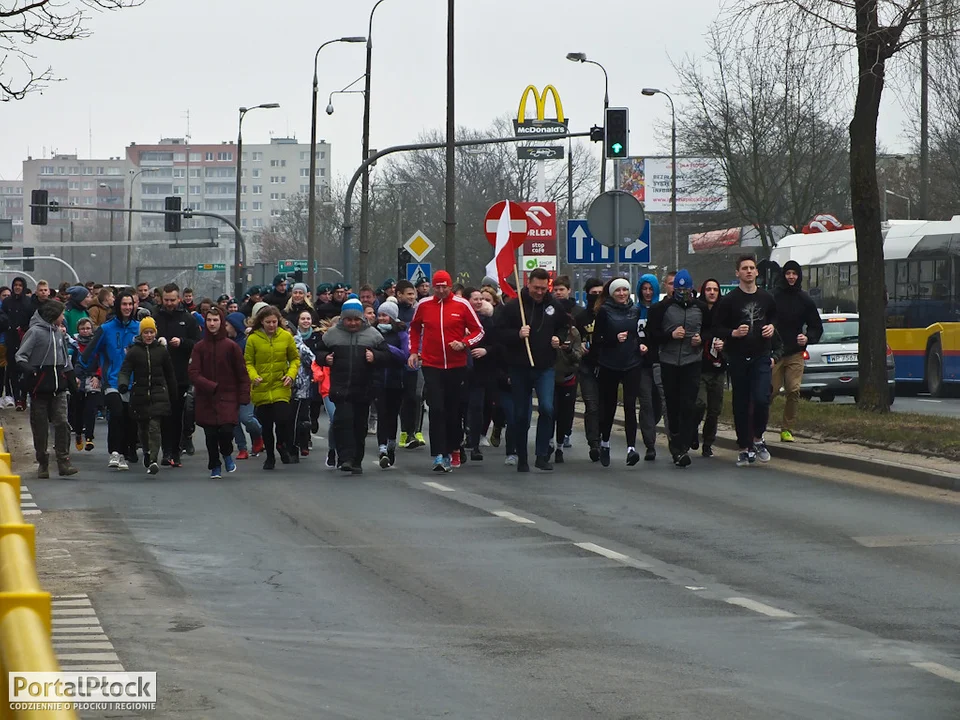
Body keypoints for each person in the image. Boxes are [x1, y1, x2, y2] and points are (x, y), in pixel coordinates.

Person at [408, 270, 484, 473]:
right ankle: (439, 455)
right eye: (437, 286)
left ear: (450, 286)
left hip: (456, 365)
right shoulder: (424, 305)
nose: (441, 290)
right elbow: (414, 328)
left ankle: (454, 447)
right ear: (433, 287)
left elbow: (479, 331)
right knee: (436, 408)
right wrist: (414, 351)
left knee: (453, 410)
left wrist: (464, 343)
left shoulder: (462, 304)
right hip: (431, 364)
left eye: (445, 286)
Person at [496, 267, 568, 472]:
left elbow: (564, 326)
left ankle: (542, 454)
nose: (539, 292)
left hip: (545, 366)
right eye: (536, 287)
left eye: (544, 288)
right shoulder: (513, 307)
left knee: (547, 408)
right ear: (528, 284)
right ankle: (522, 457)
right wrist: (517, 334)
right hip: (519, 367)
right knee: (521, 414)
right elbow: (499, 333)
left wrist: (559, 339)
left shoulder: (553, 305)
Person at [315, 296, 394, 474]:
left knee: (359, 425)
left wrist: (375, 356)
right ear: (343, 319)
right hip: (340, 387)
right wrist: (325, 359)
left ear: (362, 319)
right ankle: (345, 458)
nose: (352, 323)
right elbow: (319, 350)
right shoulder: (332, 334)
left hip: (363, 388)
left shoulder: (373, 335)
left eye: (355, 320)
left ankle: (357, 460)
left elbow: (387, 356)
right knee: (343, 422)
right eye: (348, 320)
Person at [713, 254, 778, 466]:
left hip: (761, 354)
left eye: (752, 268)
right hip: (738, 356)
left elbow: (775, 319)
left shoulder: (766, 298)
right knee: (741, 402)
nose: (749, 271)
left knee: (761, 398)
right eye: (744, 268)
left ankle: (758, 438)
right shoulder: (730, 300)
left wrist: (772, 328)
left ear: (757, 272)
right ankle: (743, 446)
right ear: (737, 273)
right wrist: (733, 333)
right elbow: (717, 328)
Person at [648, 269, 710, 468]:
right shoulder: (661, 308)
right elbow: (652, 335)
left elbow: (710, 329)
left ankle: (684, 442)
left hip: (692, 361)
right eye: (679, 289)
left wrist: (702, 339)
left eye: (686, 289)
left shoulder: (700, 308)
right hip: (668, 361)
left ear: (692, 289)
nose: (682, 292)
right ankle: (677, 448)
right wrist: (670, 335)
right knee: (673, 407)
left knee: (691, 404)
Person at [16, 299, 78, 478]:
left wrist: (72, 379)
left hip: (58, 387)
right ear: (53, 315)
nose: (63, 317)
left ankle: (63, 461)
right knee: (40, 427)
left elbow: (65, 358)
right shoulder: (34, 332)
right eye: (61, 314)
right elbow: (20, 356)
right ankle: (43, 462)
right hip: (39, 388)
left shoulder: (59, 333)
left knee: (62, 423)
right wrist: (30, 370)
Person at [80, 290, 140, 470]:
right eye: (124, 304)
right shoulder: (106, 329)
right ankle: (114, 452)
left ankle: (126, 451)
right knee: (117, 413)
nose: (128, 307)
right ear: (118, 306)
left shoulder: (138, 328)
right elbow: (91, 352)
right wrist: (80, 370)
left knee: (131, 419)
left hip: (134, 381)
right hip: (112, 380)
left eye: (130, 304)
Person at [189, 307, 251, 478]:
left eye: (215, 320)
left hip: (228, 396)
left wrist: (244, 394)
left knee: (226, 431)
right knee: (210, 434)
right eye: (209, 320)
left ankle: (226, 453)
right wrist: (209, 385)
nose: (212, 323)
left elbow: (242, 372)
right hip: (206, 397)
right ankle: (214, 465)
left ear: (221, 322)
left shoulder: (231, 347)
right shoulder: (199, 347)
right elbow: (194, 372)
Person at [593, 278, 645, 467]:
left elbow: (637, 334)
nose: (622, 294)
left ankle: (631, 448)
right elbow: (597, 339)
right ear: (612, 294)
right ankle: (605, 443)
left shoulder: (635, 310)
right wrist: (613, 338)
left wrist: (641, 345)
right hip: (610, 363)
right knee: (609, 406)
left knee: (630, 405)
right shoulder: (604, 311)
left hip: (631, 362)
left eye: (625, 290)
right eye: (618, 291)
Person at [117, 316, 177, 475]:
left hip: (158, 394)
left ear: (155, 333)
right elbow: (125, 370)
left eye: (151, 332)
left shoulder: (161, 351)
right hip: (140, 395)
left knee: (154, 427)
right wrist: (123, 384)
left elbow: (169, 373)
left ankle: (153, 460)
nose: (149, 335)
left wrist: (173, 391)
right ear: (141, 334)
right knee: (142, 428)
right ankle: (146, 451)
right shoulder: (134, 351)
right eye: (146, 332)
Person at [772, 260, 823, 442]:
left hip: (795, 352)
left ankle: (787, 429)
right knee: (771, 390)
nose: (791, 277)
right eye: (788, 274)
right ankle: (758, 425)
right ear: (783, 275)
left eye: (794, 274)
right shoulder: (773, 297)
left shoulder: (804, 299)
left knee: (794, 390)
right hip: (775, 353)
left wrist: (807, 337)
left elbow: (816, 326)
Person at [244, 304, 299, 469]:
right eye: (268, 322)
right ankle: (269, 456)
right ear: (261, 322)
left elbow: (295, 359)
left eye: (274, 322)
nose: (272, 325)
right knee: (266, 425)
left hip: (280, 384)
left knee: (282, 419)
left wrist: (290, 374)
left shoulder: (286, 337)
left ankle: (281, 445)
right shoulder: (253, 339)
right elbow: (248, 362)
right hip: (261, 387)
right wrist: (254, 377)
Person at [152, 284, 201, 467]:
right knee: (163, 415)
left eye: (173, 300)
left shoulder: (188, 319)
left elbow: (197, 344)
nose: (170, 303)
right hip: (159, 376)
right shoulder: (155, 318)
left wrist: (182, 343)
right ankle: (166, 451)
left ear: (179, 298)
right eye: (166, 300)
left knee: (178, 415)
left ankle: (176, 450)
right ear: (162, 299)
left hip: (180, 376)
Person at [372, 301, 410, 468]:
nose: (382, 318)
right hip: (378, 380)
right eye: (379, 315)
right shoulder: (372, 332)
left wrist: (387, 348)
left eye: (385, 315)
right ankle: (382, 449)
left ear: (392, 317)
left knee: (392, 415)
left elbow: (405, 356)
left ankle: (391, 445)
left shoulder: (401, 334)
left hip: (396, 380)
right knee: (382, 414)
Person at [693, 279, 726, 458]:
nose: (712, 292)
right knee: (700, 403)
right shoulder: (697, 309)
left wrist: (725, 343)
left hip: (718, 367)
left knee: (714, 409)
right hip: (700, 366)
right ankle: (692, 429)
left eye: (715, 289)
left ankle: (708, 442)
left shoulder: (724, 311)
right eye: (708, 289)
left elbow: (731, 332)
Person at [224, 311, 264, 459]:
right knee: (232, 419)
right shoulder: (226, 342)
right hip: (229, 385)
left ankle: (260, 434)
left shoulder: (246, 342)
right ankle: (242, 448)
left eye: (227, 325)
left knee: (246, 417)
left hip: (246, 384)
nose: (224, 327)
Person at [463, 288, 497, 460]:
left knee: (477, 407)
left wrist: (486, 350)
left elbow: (497, 343)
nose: (478, 302)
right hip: (461, 369)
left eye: (480, 299)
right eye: (474, 299)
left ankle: (475, 444)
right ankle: (460, 440)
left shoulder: (488, 322)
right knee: (461, 407)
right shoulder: (460, 319)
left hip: (481, 371)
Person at [575, 278, 604, 460]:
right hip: (587, 367)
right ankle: (593, 442)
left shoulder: (609, 314)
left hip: (607, 367)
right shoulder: (581, 318)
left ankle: (604, 438)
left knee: (604, 406)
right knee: (592, 406)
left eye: (600, 294)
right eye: (593, 294)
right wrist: (580, 348)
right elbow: (574, 340)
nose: (597, 297)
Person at [635, 273, 664, 461]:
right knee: (645, 403)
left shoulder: (661, 310)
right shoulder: (634, 310)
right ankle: (650, 444)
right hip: (640, 364)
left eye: (650, 289)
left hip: (659, 362)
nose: (647, 292)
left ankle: (652, 426)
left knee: (659, 403)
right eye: (644, 289)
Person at [70, 317, 102, 453]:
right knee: (78, 408)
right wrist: (73, 377)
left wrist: (98, 376)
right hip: (77, 378)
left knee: (91, 408)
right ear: (78, 330)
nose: (85, 331)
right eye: (82, 329)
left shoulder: (97, 343)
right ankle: (78, 433)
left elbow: (102, 360)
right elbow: (70, 361)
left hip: (93, 377)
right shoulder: (73, 344)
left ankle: (89, 437)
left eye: (88, 328)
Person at [289, 310, 319, 461]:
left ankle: (302, 443)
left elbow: (313, 361)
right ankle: (291, 446)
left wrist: (312, 376)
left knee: (302, 419)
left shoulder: (300, 347)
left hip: (302, 387)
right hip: (284, 388)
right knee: (288, 420)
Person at [3, 276, 33, 411]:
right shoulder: (7, 302)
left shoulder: (28, 302)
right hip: (11, 341)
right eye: (15, 285)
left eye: (20, 285)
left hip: (25, 341)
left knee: (25, 371)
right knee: (12, 371)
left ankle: (23, 397)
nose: (17, 287)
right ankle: (17, 398)